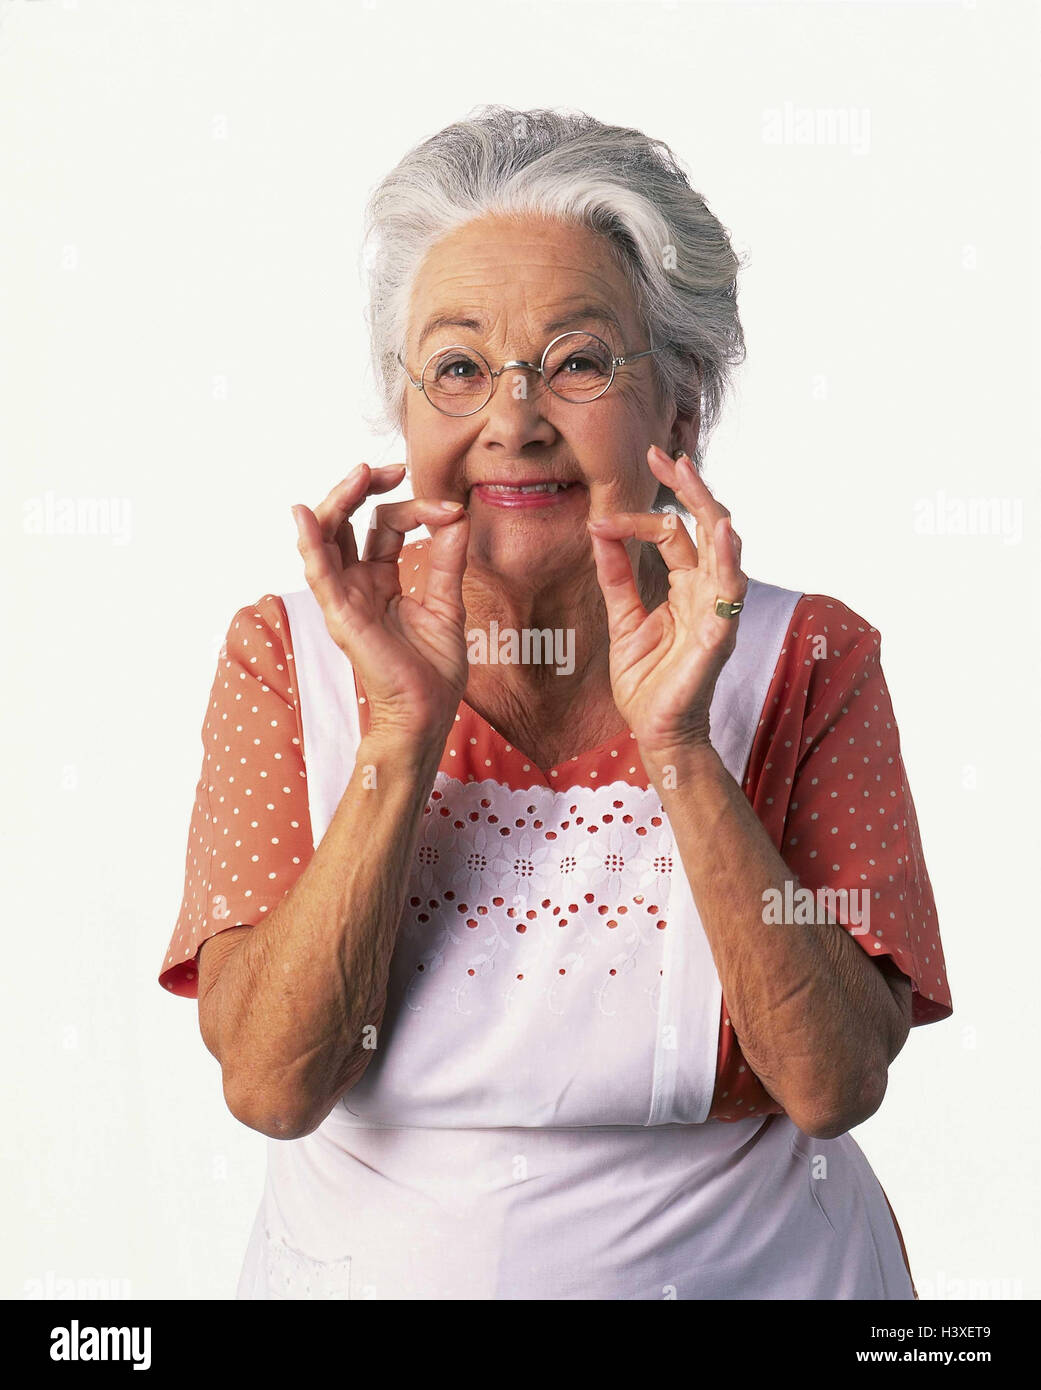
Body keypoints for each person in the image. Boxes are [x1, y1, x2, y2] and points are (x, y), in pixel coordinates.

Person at [159, 106, 952, 1300]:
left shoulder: (806, 660)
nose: (513, 420)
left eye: (579, 361)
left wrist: (679, 744)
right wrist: (398, 738)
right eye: (461, 368)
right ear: (410, 412)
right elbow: (272, 1084)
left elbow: (833, 1082)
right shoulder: (290, 657)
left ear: (679, 412)